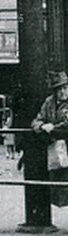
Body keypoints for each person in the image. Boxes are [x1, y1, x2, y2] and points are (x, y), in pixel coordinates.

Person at [30, 71, 68, 207]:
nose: (63, 92)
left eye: (65, 88)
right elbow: (37, 120)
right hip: (57, 149)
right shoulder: (49, 102)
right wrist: (41, 126)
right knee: (60, 186)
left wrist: (53, 127)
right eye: (60, 89)